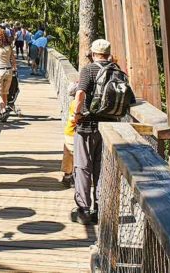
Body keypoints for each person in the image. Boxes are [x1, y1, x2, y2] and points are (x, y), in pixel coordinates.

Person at [71, 39, 122, 224]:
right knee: (101, 169)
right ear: (108, 54)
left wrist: (76, 114)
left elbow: (80, 93)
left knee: (83, 167)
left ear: (93, 54)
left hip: (87, 126)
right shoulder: (117, 70)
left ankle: (83, 210)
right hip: (109, 129)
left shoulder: (89, 70)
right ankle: (100, 209)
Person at [0, 28, 16, 115]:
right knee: (5, 93)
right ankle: (4, 111)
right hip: (9, 70)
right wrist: (14, 68)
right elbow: (13, 60)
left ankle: (2, 107)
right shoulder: (9, 47)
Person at [61, 82, 81, 187]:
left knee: (69, 155)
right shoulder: (76, 104)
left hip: (70, 132)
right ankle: (69, 176)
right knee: (71, 155)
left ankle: (68, 176)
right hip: (72, 133)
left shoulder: (74, 102)